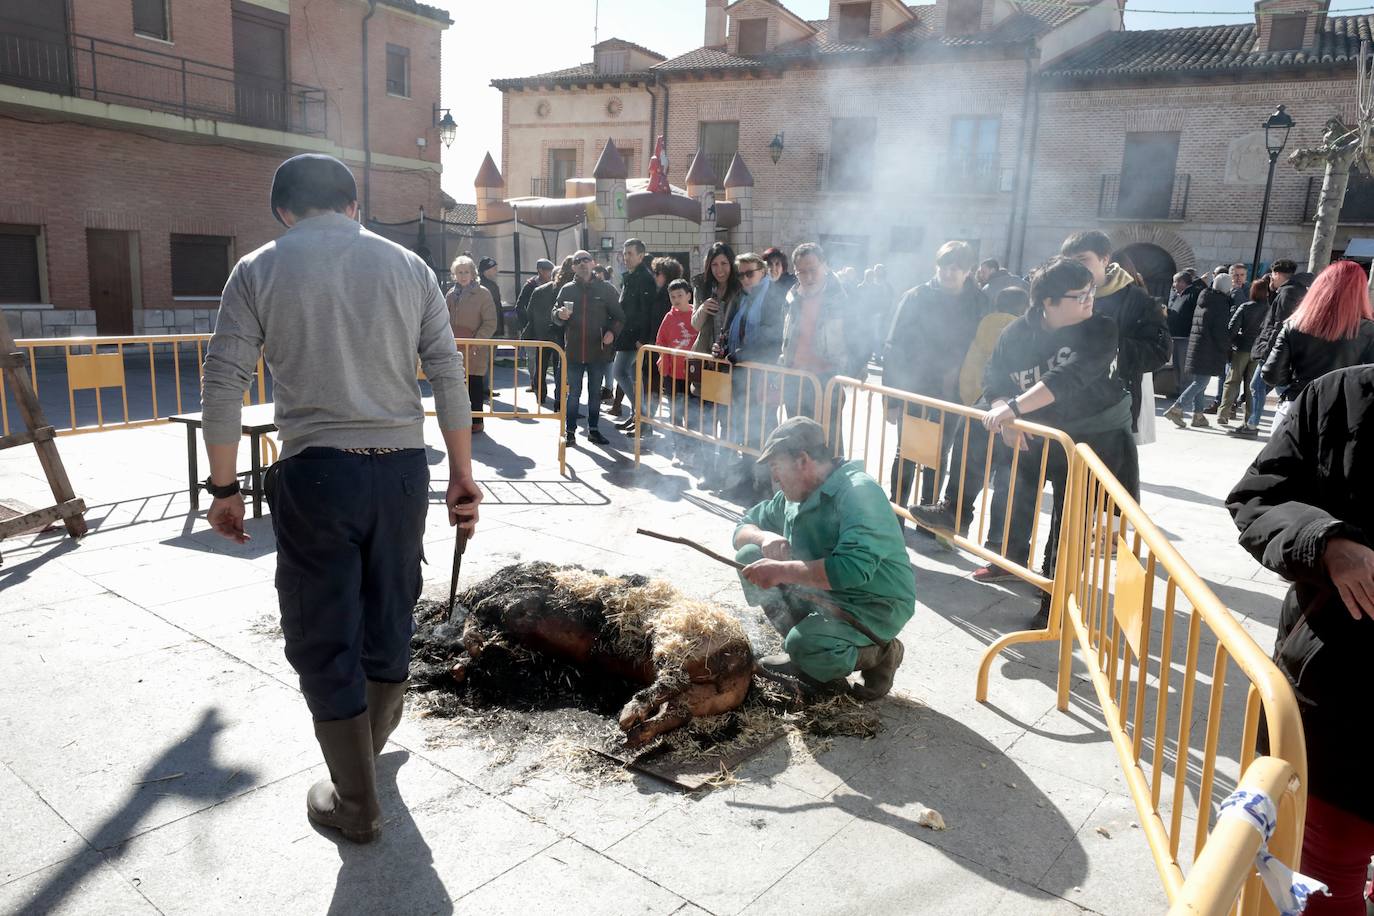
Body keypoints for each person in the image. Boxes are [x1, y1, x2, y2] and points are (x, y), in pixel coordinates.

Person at [201, 154, 480, 844]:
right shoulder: (409, 267)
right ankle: (367, 757)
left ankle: (355, 801)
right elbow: (448, 368)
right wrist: (463, 474)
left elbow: (224, 378)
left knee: (324, 631)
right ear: (353, 205)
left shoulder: (258, 268)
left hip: (316, 472)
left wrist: (225, 486)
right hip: (403, 470)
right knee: (390, 611)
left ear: (285, 212)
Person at [1227, 365, 1374, 914]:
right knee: (1328, 869)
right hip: (1342, 691)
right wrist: (1326, 541)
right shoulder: (1337, 395)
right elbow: (1259, 497)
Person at [981, 257, 1138, 626]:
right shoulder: (1016, 333)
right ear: (1048, 303)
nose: (1089, 300)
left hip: (1097, 440)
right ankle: (1008, 559)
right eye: (1079, 295)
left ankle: (1056, 602)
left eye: (1091, 292)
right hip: (1041, 438)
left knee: (1074, 525)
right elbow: (994, 378)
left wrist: (1015, 409)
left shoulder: (1101, 328)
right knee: (1015, 497)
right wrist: (1004, 411)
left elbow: (1070, 376)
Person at [733, 417, 915, 699]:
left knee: (806, 645)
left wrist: (781, 571)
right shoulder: (794, 496)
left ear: (802, 461)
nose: (775, 479)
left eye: (775, 468)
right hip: (824, 595)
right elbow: (742, 528)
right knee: (748, 556)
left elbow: (851, 570)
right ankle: (805, 649)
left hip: (872, 604)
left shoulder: (858, 492)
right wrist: (764, 538)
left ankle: (880, 650)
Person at [909, 286, 1030, 552]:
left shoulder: (985, 324)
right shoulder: (1020, 330)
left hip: (978, 405)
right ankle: (998, 546)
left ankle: (951, 525)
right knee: (1005, 483)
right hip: (1008, 413)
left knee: (968, 469)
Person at [883, 240, 987, 516]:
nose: (949, 273)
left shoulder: (979, 301)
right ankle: (897, 513)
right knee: (906, 451)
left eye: (956, 268)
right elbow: (893, 346)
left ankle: (927, 516)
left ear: (968, 270)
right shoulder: (916, 297)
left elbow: (985, 345)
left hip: (954, 392)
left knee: (939, 455)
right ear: (936, 266)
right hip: (913, 388)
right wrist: (891, 398)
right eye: (944, 266)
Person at [1061, 231, 1170, 432]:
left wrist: (1108, 347)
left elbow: (1159, 351)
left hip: (1109, 411)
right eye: (1068, 261)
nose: (1074, 267)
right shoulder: (1056, 297)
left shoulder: (1140, 301)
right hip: (1059, 406)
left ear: (1104, 259)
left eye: (1082, 259)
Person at [1262, 259, 1374, 430]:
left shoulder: (1295, 323)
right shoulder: (1368, 331)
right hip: (1342, 414)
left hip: (1295, 406)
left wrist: (1294, 377)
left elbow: (1271, 375)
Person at [717, 251, 789, 497]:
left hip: (763, 374)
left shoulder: (774, 296)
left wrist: (741, 353)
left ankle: (768, 488)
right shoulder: (743, 297)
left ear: (763, 271)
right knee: (745, 427)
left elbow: (773, 335)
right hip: (742, 374)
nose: (745, 279)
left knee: (763, 429)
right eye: (741, 275)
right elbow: (731, 329)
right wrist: (723, 347)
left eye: (750, 273)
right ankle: (748, 480)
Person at [552, 249, 624, 446]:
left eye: (586, 260)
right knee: (573, 394)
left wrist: (612, 332)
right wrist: (559, 315)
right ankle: (570, 433)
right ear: (573, 266)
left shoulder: (606, 289)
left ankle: (593, 430)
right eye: (578, 261)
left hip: (597, 352)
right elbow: (554, 315)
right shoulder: (567, 289)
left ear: (593, 263)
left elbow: (619, 317)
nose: (582, 263)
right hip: (573, 352)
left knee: (595, 395)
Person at [780, 242, 853, 436]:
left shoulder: (841, 298)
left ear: (825, 266)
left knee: (828, 446)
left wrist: (849, 371)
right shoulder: (791, 298)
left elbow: (858, 337)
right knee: (797, 443)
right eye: (801, 272)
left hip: (826, 383)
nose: (808, 277)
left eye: (813, 270)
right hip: (795, 382)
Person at [1233, 258, 1307, 437]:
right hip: (1280, 349)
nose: (1271, 280)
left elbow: (1280, 325)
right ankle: (1255, 424)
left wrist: (1268, 351)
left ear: (1278, 274)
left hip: (1274, 350)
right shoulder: (1292, 291)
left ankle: (1253, 426)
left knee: (1259, 386)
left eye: (1273, 275)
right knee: (1275, 387)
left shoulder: (1287, 293)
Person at [1164, 273, 1234, 429]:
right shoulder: (1220, 303)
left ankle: (1198, 415)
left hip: (1197, 345)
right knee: (1201, 382)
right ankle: (1177, 408)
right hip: (1209, 349)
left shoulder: (1205, 297)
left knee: (1199, 381)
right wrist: (1226, 346)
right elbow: (1219, 331)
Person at [447, 255, 500, 435]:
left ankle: (477, 421)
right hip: (454, 348)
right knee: (456, 387)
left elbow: (490, 322)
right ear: (454, 274)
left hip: (475, 348)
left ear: (473, 273)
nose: (463, 275)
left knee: (474, 385)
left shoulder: (483, 293)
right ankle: (459, 422)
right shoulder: (450, 295)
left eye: (466, 272)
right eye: (459, 272)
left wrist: (477, 341)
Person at [609, 238, 658, 432]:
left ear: (640, 256)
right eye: (625, 253)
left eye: (630, 253)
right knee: (630, 376)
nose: (626, 257)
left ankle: (643, 416)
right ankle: (637, 417)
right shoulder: (631, 276)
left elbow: (647, 311)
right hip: (628, 335)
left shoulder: (644, 278)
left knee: (619, 372)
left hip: (635, 337)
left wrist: (643, 338)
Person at [654, 277, 700, 463]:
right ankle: (678, 450)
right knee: (675, 413)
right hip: (673, 374)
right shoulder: (669, 317)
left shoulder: (697, 315)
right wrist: (663, 362)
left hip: (694, 373)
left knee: (693, 413)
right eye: (673, 296)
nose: (676, 299)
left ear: (689, 295)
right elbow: (660, 341)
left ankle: (692, 450)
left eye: (680, 295)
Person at [1217, 276, 1270, 426]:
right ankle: (1248, 419)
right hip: (1259, 350)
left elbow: (1231, 329)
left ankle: (1223, 414)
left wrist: (1234, 342)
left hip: (1242, 349)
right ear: (1267, 293)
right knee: (1251, 386)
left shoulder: (1245, 307)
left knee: (1232, 382)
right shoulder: (1270, 310)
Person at [525, 256, 572, 408]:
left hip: (542, 332)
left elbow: (529, 311)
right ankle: (559, 398)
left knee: (541, 364)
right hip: (559, 332)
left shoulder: (539, 290)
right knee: (560, 367)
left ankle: (540, 395)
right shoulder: (567, 289)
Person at [516, 258, 554, 392]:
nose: (550, 273)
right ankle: (534, 382)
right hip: (532, 328)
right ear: (540, 271)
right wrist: (527, 324)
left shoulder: (554, 285)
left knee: (548, 358)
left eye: (551, 270)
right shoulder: (530, 285)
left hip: (549, 328)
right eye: (547, 270)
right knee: (532, 357)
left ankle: (557, 387)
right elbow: (520, 306)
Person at [1167, 269, 1207, 391]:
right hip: (1176, 336)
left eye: (1175, 282)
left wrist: (1198, 281)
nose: (1174, 285)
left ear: (1182, 282)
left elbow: (1198, 290)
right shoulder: (1179, 294)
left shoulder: (1192, 293)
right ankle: (1179, 390)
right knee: (1177, 366)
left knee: (1184, 368)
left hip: (1186, 337)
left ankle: (1185, 393)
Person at [478, 256, 506, 339]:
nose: (496, 272)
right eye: (494, 269)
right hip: (489, 330)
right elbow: (495, 308)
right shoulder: (489, 286)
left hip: (486, 329)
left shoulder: (488, 285)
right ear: (486, 271)